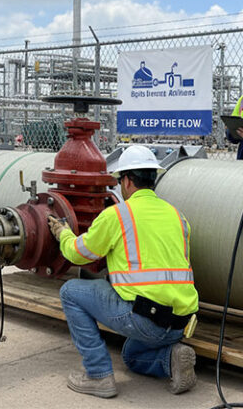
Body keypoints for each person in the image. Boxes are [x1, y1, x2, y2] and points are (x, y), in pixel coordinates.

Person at [47, 145, 199, 399]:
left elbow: (78, 253)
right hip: (180, 323)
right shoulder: (178, 215)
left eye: (119, 181)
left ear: (127, 181)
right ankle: (170, 358)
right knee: (131, 355)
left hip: (145, 319)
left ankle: (98, 376)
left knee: (70, 292)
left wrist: (63, 234)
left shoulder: (118, 214)